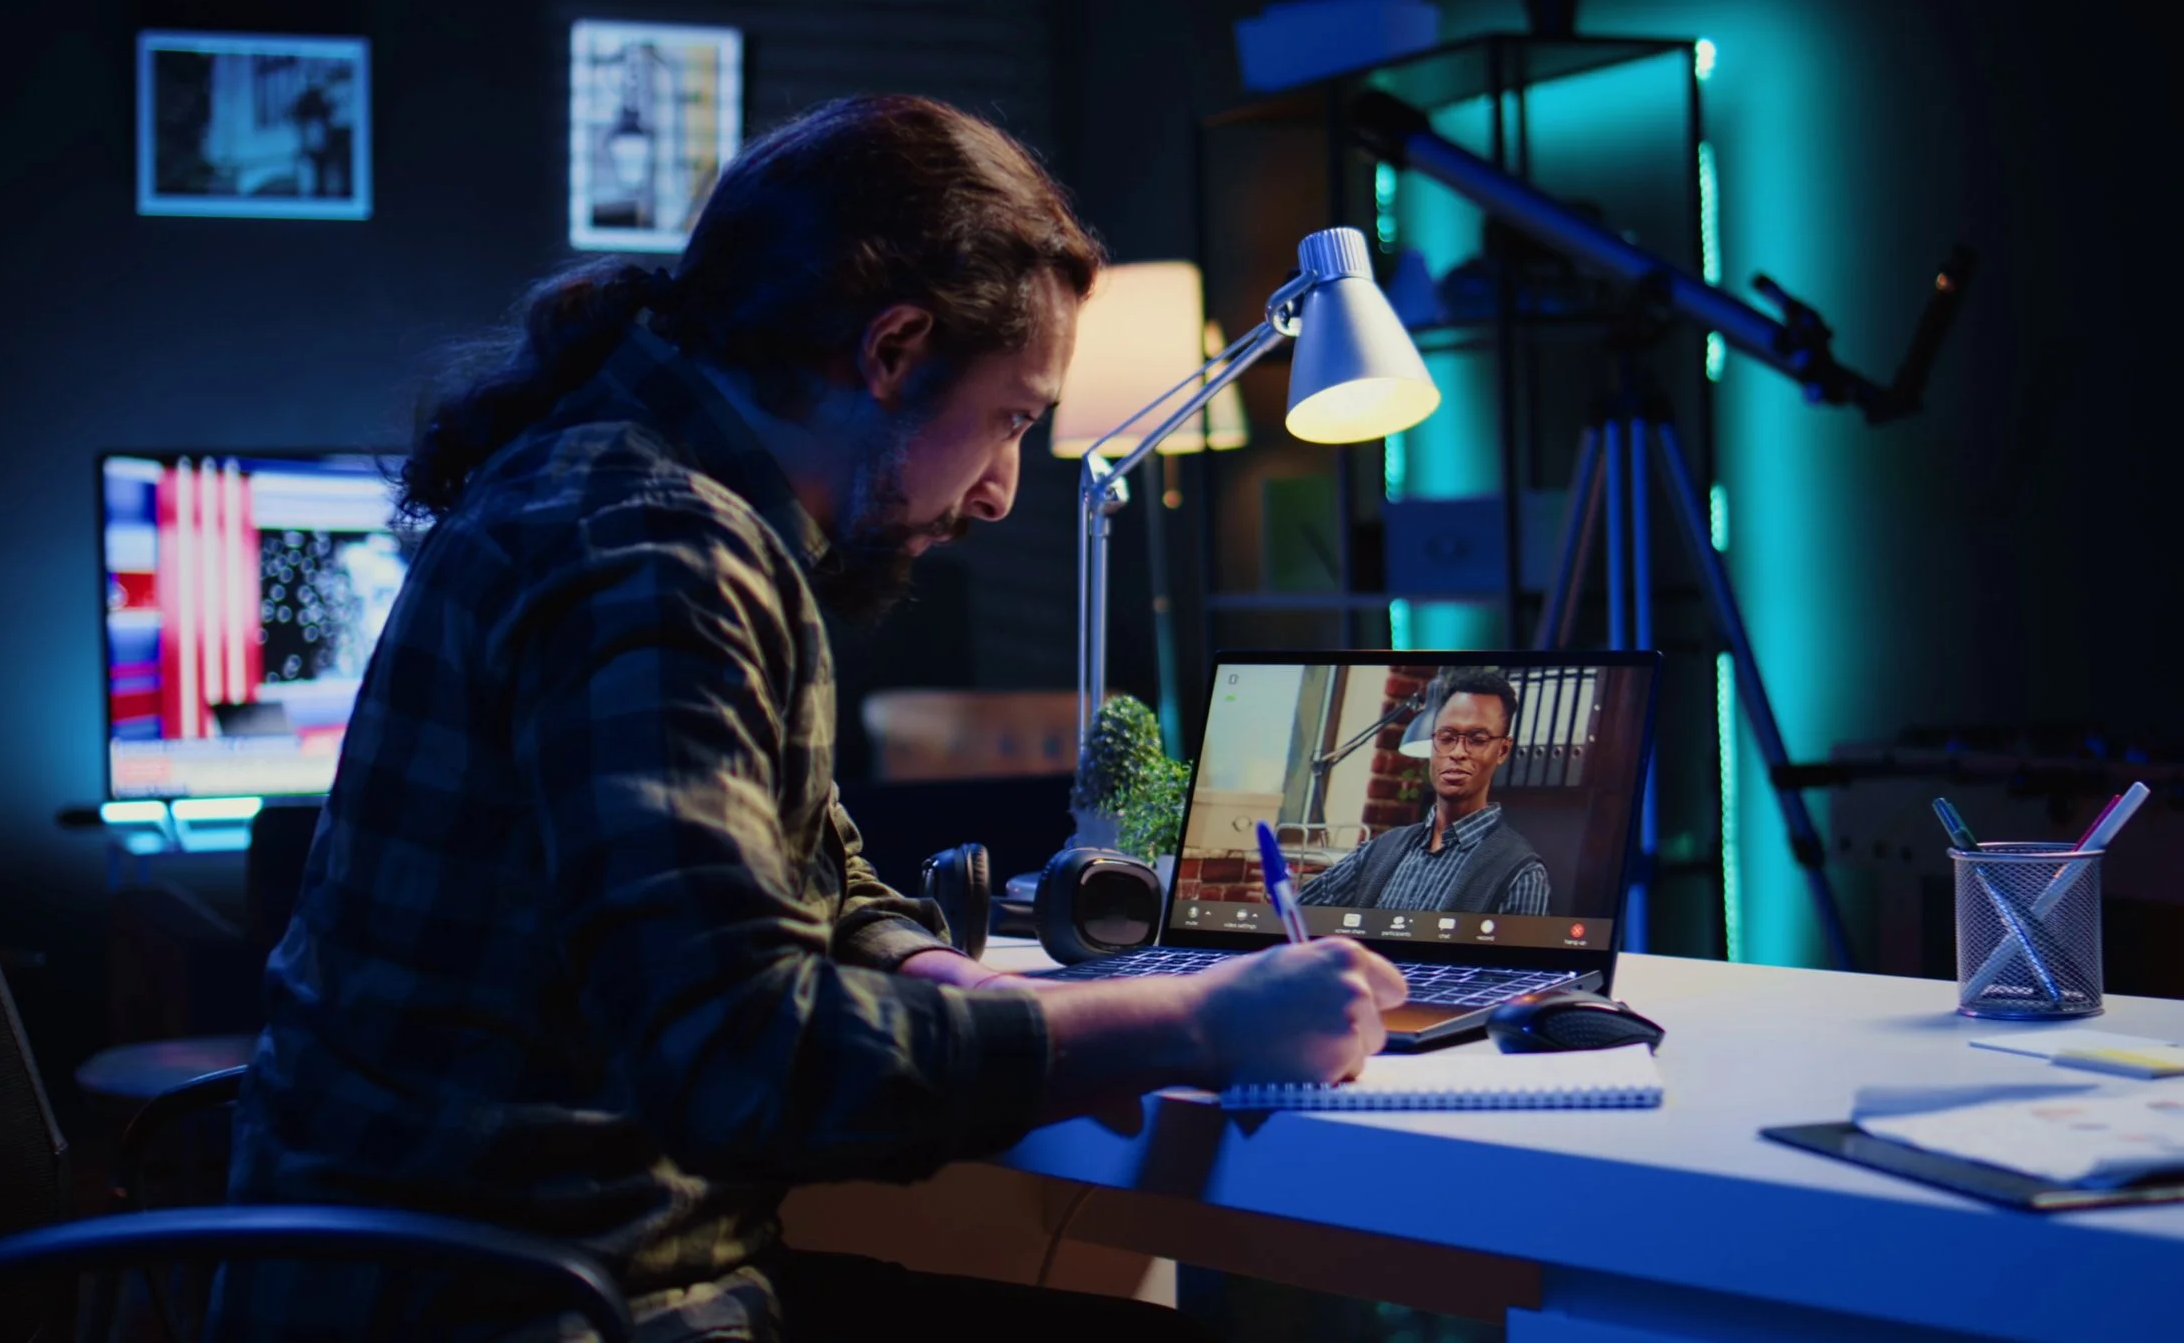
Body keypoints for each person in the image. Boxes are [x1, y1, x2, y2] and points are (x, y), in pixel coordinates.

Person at [213, 96, 1406, 1342]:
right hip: (517, 1303)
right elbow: (744, 1061)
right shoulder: (656, 554)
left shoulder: (639, 492)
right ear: (891, 350)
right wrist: (1199, 1021)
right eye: (1007, 417)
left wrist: (940, 972)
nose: (1001, 491)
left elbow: (809, 866)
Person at [1294, 670, 1552, 916]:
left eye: (1477, 739)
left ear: (1503, 751)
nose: (1458, 752)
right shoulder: (1382, 850)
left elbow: (1518, 963)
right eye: (1447, 737)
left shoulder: (1521, 873)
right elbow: (1295, 916)